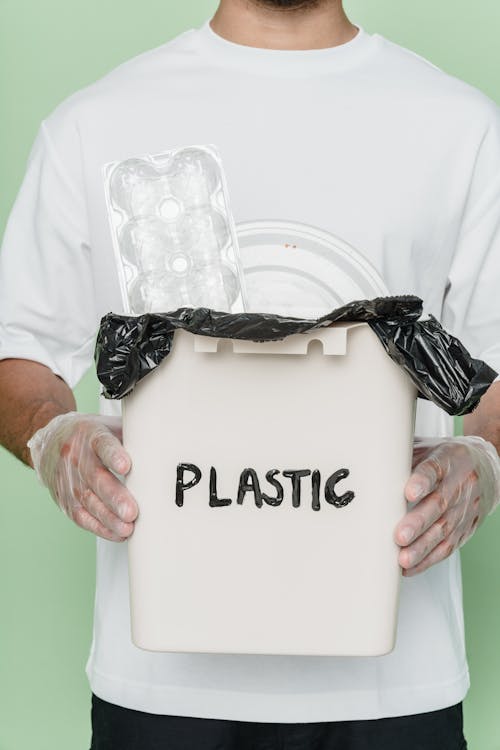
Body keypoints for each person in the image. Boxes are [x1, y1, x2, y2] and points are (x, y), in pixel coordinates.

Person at [1, 0, 499, 747]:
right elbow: (17, 346)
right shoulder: (96, 125)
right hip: (162, 686)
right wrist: (53, 437)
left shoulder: (461, 128)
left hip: (393, 687)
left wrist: (484, 459)